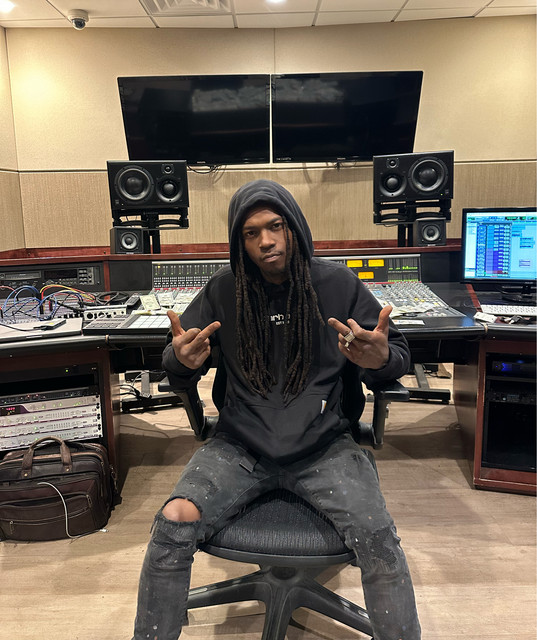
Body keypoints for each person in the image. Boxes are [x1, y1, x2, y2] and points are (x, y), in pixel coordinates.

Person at [132, 179, 421, 640]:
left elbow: (395, 354)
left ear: (294, 228)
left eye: (275, 226)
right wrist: (179, 361)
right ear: (239, 242)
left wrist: (381, 359)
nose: (265, 241)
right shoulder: (224, 290)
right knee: (173, 521)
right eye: (251, 233)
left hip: (326, 447)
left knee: (377, 536)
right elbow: (179, 353)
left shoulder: (338, 285)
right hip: (240, 447)